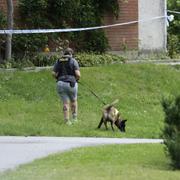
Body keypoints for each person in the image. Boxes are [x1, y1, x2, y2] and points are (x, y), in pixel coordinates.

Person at [52, 48, 81, 125]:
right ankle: (74, 119)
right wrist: (76, 79)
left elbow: (53, 74)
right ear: (71, 54)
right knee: (74, 101)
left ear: (64, 54)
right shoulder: (73, 61)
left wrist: (58, 78)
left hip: (60, 83)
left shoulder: (59, 61)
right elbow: (78, 74)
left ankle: (67, 121)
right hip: (72, 83)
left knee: (65, 103)